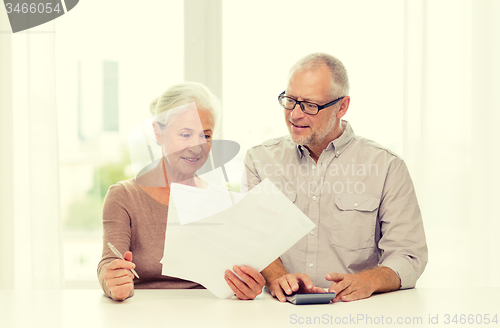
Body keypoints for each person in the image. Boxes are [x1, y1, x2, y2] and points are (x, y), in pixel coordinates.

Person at [242, 53, 428, 303]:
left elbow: (408, 255)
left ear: (342, 106)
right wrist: (278, 277)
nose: (295, 115)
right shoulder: (259, 160)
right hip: (278, 311)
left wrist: (369, 281)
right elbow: (252, 235)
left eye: (309, 105)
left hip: (356, 312)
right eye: (290, 100)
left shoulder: (387, 167)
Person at [98, 82, 265, 301]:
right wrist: (114, 282)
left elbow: (236, 277)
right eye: (185, 135)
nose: (196, 147)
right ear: (158, 133)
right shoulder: (124, 196)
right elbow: (109, 263)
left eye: (205, 136)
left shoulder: (223, 200)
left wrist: (247, 286)